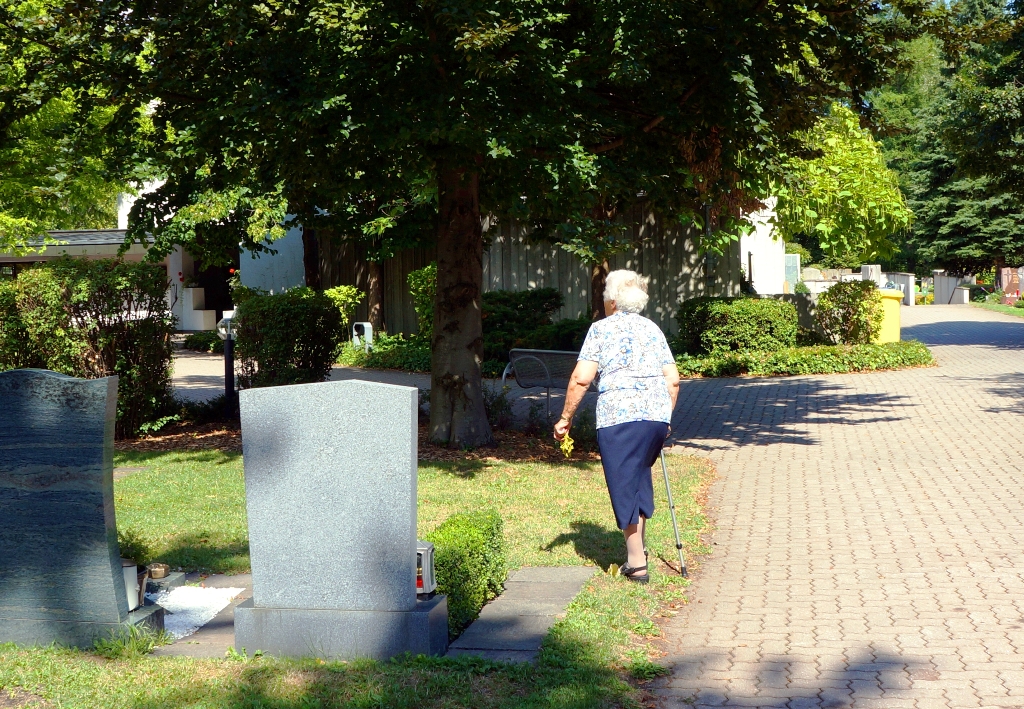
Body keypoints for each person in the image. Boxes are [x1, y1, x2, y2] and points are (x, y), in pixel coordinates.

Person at [553, 269, 680, 584]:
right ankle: (638, 551)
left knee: (624, 484)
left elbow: (582, 378)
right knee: (637, 479)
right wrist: (665, 419)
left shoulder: (600, 330)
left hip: (618, 418)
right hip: (655, 417)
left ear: (611, 300)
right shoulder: (653, 329)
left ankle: (636, 564)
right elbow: (673, 381)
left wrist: (565, 418)